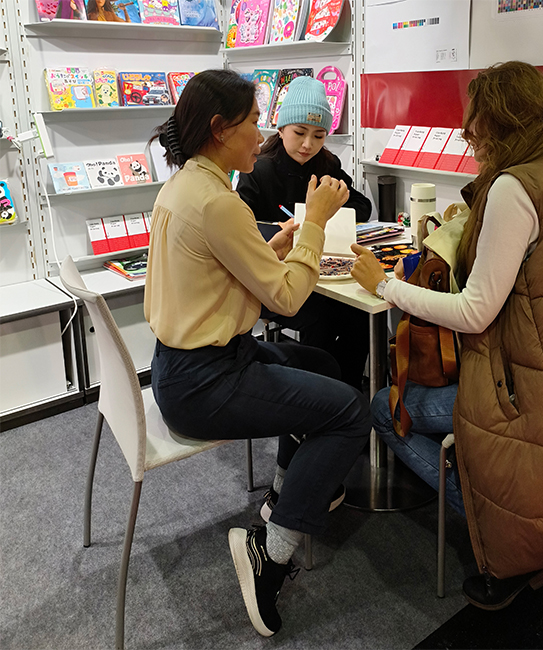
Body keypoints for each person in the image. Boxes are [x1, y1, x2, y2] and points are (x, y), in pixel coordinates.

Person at [351, 61, 543, 611]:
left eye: (475, 119)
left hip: (527, 396)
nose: (468, 131)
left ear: (499, 121)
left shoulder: (512, 187)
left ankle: (501, 532)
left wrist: (385, 285)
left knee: (388, 409)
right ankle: (504, 503)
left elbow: (475, 312)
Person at [144, 69, 371, 637]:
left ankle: (281, 495)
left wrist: (275, 244)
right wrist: (314, 224)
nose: (261, 132)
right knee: (351, 412)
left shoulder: (187, 185)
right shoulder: (217, 201)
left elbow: (221, 270)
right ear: (220, 129)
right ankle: (272, 551)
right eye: (252, 121)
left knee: (322, 365)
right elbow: (287, 300)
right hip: (206, 380)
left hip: (184, 364)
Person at [237, 76, 373, 390]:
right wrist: (281, 229)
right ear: (281, 129)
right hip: (274, 279)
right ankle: (318, 394)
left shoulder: (327, 164)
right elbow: (243, 225)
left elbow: (362, 205)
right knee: (321, 317)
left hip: (322, 273)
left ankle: (347, 391)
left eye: (319, 135)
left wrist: (329, 209)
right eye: (299, 133)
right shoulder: (259, 169)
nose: (308, 145)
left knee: (358, 314)